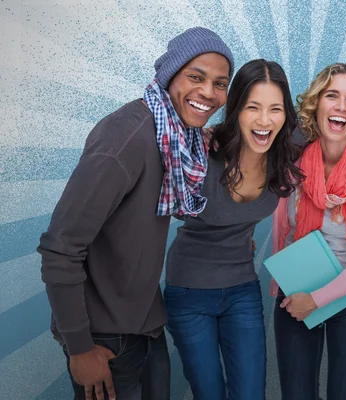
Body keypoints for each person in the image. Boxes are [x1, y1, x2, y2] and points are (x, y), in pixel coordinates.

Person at [38, 27, 234, 400]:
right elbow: (60, 248)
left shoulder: (178, 137)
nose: (208, 93)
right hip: (103, 339)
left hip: (144, 326)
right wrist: (80, 347)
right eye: (196, 77)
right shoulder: (126, 138)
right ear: (169, 75)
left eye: (220, 83)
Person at [163, 58, 303, 400]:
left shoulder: (286, 148)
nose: (264, 120)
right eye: (253, 107)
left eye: (275, 109)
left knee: (251, 393)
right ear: (236, 108)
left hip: (241, 287)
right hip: (189, 291)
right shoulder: (202, 150)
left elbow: (341, 130)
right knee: (209, 393)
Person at [269, 62, 346, 400]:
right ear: (317, 103)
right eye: (332, 95)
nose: (340, 106)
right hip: (297, 290)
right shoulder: (290, 163)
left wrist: (318, 299)